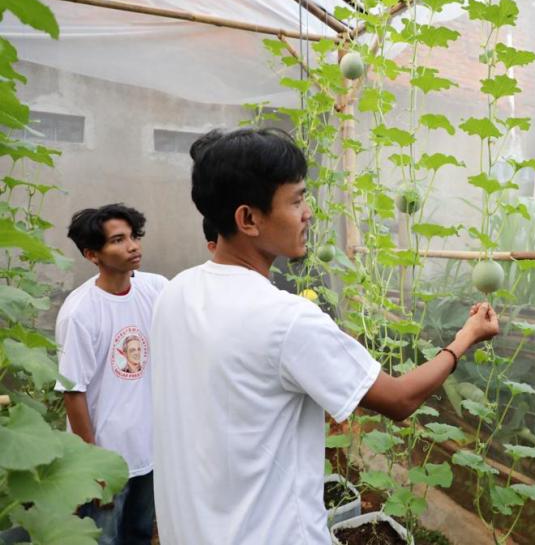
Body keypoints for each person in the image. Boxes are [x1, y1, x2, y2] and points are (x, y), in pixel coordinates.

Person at [151, 128, 500, 545]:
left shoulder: (174, 292)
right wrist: (465, 338)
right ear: (248, 219)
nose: (308, 213)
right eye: (296, 200)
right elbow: (400, 399)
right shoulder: (286, 319)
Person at [56, 204, 167, 545]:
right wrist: (93, 466)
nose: (133, 246)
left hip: (148, 452)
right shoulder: (80, 313)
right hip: (106, 457)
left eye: (133, 236)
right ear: (92, 254)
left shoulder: (156, 289)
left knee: (138, 534)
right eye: (118, 240)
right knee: (102, 538)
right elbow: (73, 393)